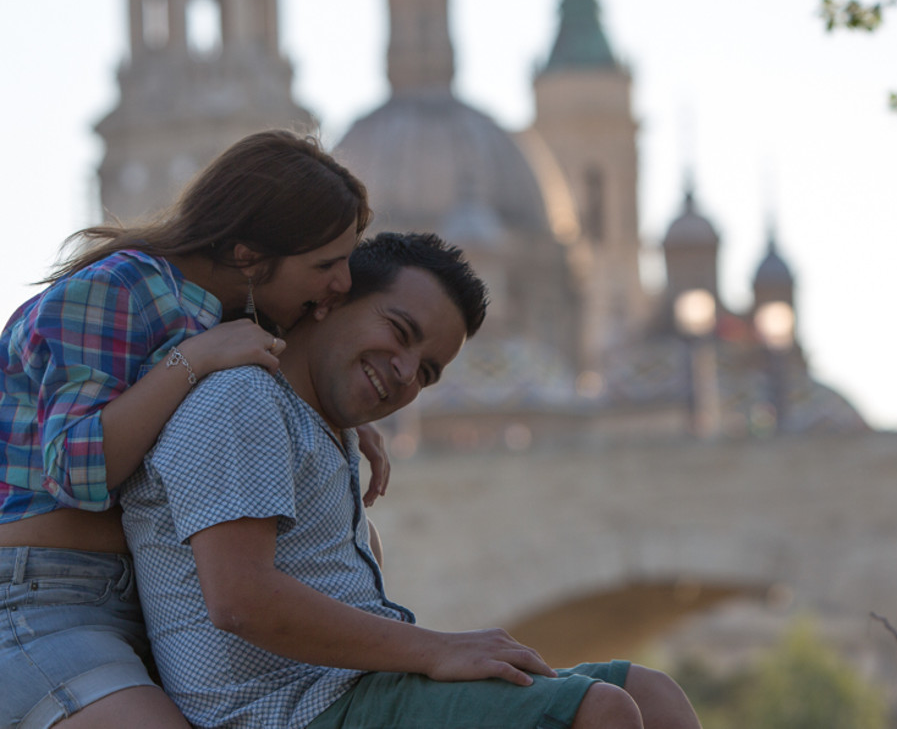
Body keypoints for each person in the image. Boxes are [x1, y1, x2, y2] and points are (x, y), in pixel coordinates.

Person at [121, 232, 702, 729]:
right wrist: (438, 649)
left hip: (349, 690)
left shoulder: (324, 425)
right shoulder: (243, 397)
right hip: (290, 710)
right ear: (330, 299)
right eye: (399, 331)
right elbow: (241, 600)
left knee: (654, 696)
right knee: (601, 714)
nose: (403, 373)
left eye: (426, 371)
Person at [0, 129, 393, 728]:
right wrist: (197, 360)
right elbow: (80, 471)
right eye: (326, 264)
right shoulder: (117, 288)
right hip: (41, 600)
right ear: (248, 257)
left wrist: (332, 421)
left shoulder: (223, 315)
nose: (341, 283)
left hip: (142, 606)